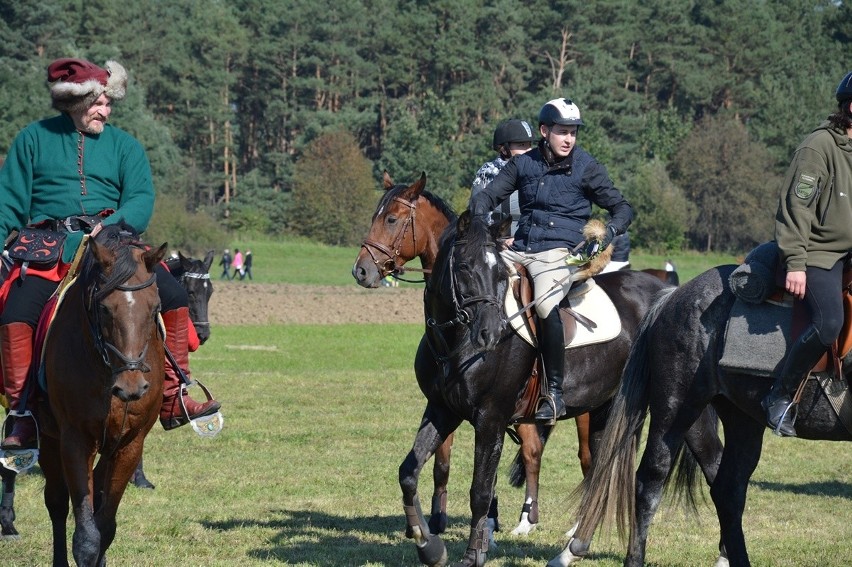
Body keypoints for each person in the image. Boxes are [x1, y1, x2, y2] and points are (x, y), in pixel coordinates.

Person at [0, 58, 221, 449]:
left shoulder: (125, 146)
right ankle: (22, 416)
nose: (105, 110)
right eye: (98, 103)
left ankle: (173, 397)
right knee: (17, 312)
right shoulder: (32, 139)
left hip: (114, 245)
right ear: (74, 102)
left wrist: (111, 224)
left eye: (108, 103)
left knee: (171, 293)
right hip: (48, 249)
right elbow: (7, 205)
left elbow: (141, 199)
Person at [470, 98, 633, 422]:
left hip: (559, 253)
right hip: (520, 247)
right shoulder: (523, 164)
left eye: (572, 132)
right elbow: (490, 195)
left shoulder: (586, 167)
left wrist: (608, 233)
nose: (569, 138)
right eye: (562, 131)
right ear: (545, 131)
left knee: (544, 306)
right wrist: (477, 212)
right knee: (476, 280)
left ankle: (554, 393)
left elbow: (623, 208)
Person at [762, 70, 852, 438]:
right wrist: (795, 264)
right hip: (818, 253)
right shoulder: (819, 147)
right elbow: (796, 209)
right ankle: (780, 395)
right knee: (829, 321)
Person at [469, 119, 535, 238]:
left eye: (530, 145)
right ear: (504, 149)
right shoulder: (486, 174)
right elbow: (476, 215)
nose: (529, 150)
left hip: (528, 242)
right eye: (522, 145)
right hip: (493, 242)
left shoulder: (538, 171)